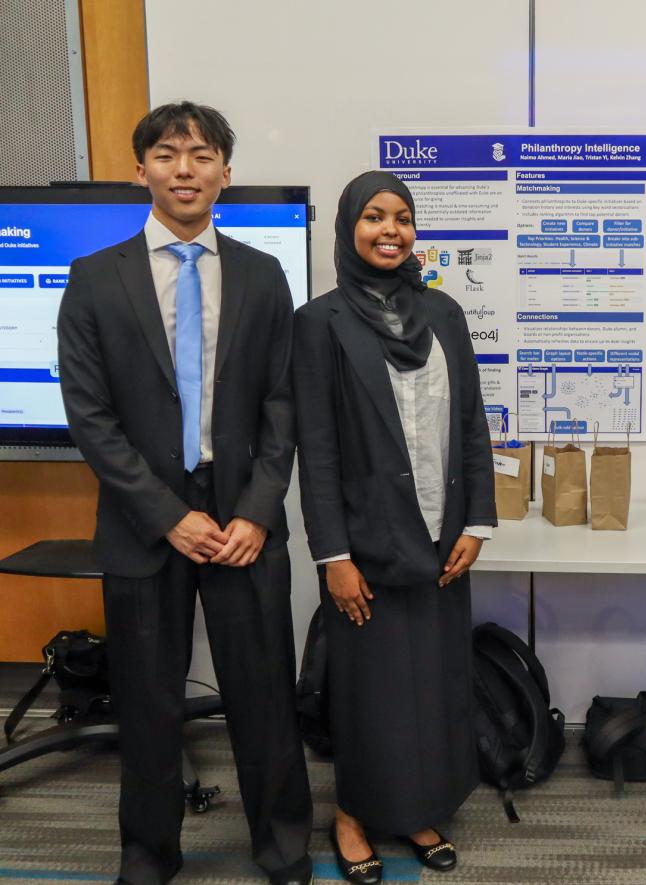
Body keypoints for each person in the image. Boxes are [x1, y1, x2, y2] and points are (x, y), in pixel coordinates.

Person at [56, 102, 312, 885]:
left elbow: (283, 404)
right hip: (146, 524)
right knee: (149, 702)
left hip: (244, 523)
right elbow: (90, 418)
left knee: (265, 696)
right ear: (141, 171)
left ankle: (284, 845)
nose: (185, 169)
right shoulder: (95, 278)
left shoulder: (266, 276)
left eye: (201, 155)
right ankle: (148, 852)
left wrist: (258, 512)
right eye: (167, 155)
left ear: (225, 173)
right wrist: (169, 516)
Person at [293, 171, 496, 883]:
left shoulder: (443, 313)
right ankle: (353, 813)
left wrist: (478, 519)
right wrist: (333, 557)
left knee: (435, 682)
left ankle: (417, 806)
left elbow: (471, 422)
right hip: (366, 544)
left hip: (442, 536)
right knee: (372, 690)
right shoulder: (319, 322)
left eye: (402, 217)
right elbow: (313, 449)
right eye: (374, 216)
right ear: (350, 228)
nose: (390, 230)